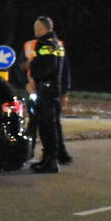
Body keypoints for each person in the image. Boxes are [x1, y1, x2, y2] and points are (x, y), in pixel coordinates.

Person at [23, 34, 73, 164]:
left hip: (47, 90)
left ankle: (57, 155)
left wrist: (64, 92)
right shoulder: (29, 45)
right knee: (35, 122)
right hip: (33, 90)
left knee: (52, 123)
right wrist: (25, 83)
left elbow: (64, 70)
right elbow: (21, 66)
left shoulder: (56, 45)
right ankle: (29, 153)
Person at [28, 16, 65, 173]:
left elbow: (48, 67)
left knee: (47, 126)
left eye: (37, 28)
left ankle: (51, 162)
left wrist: (33, 70)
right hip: (51, 88)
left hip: (47, 90)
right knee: (48, 125)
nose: (35, 30)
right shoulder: (55, 43)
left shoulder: (46, 44)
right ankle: (47, 159)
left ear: (45, 28)